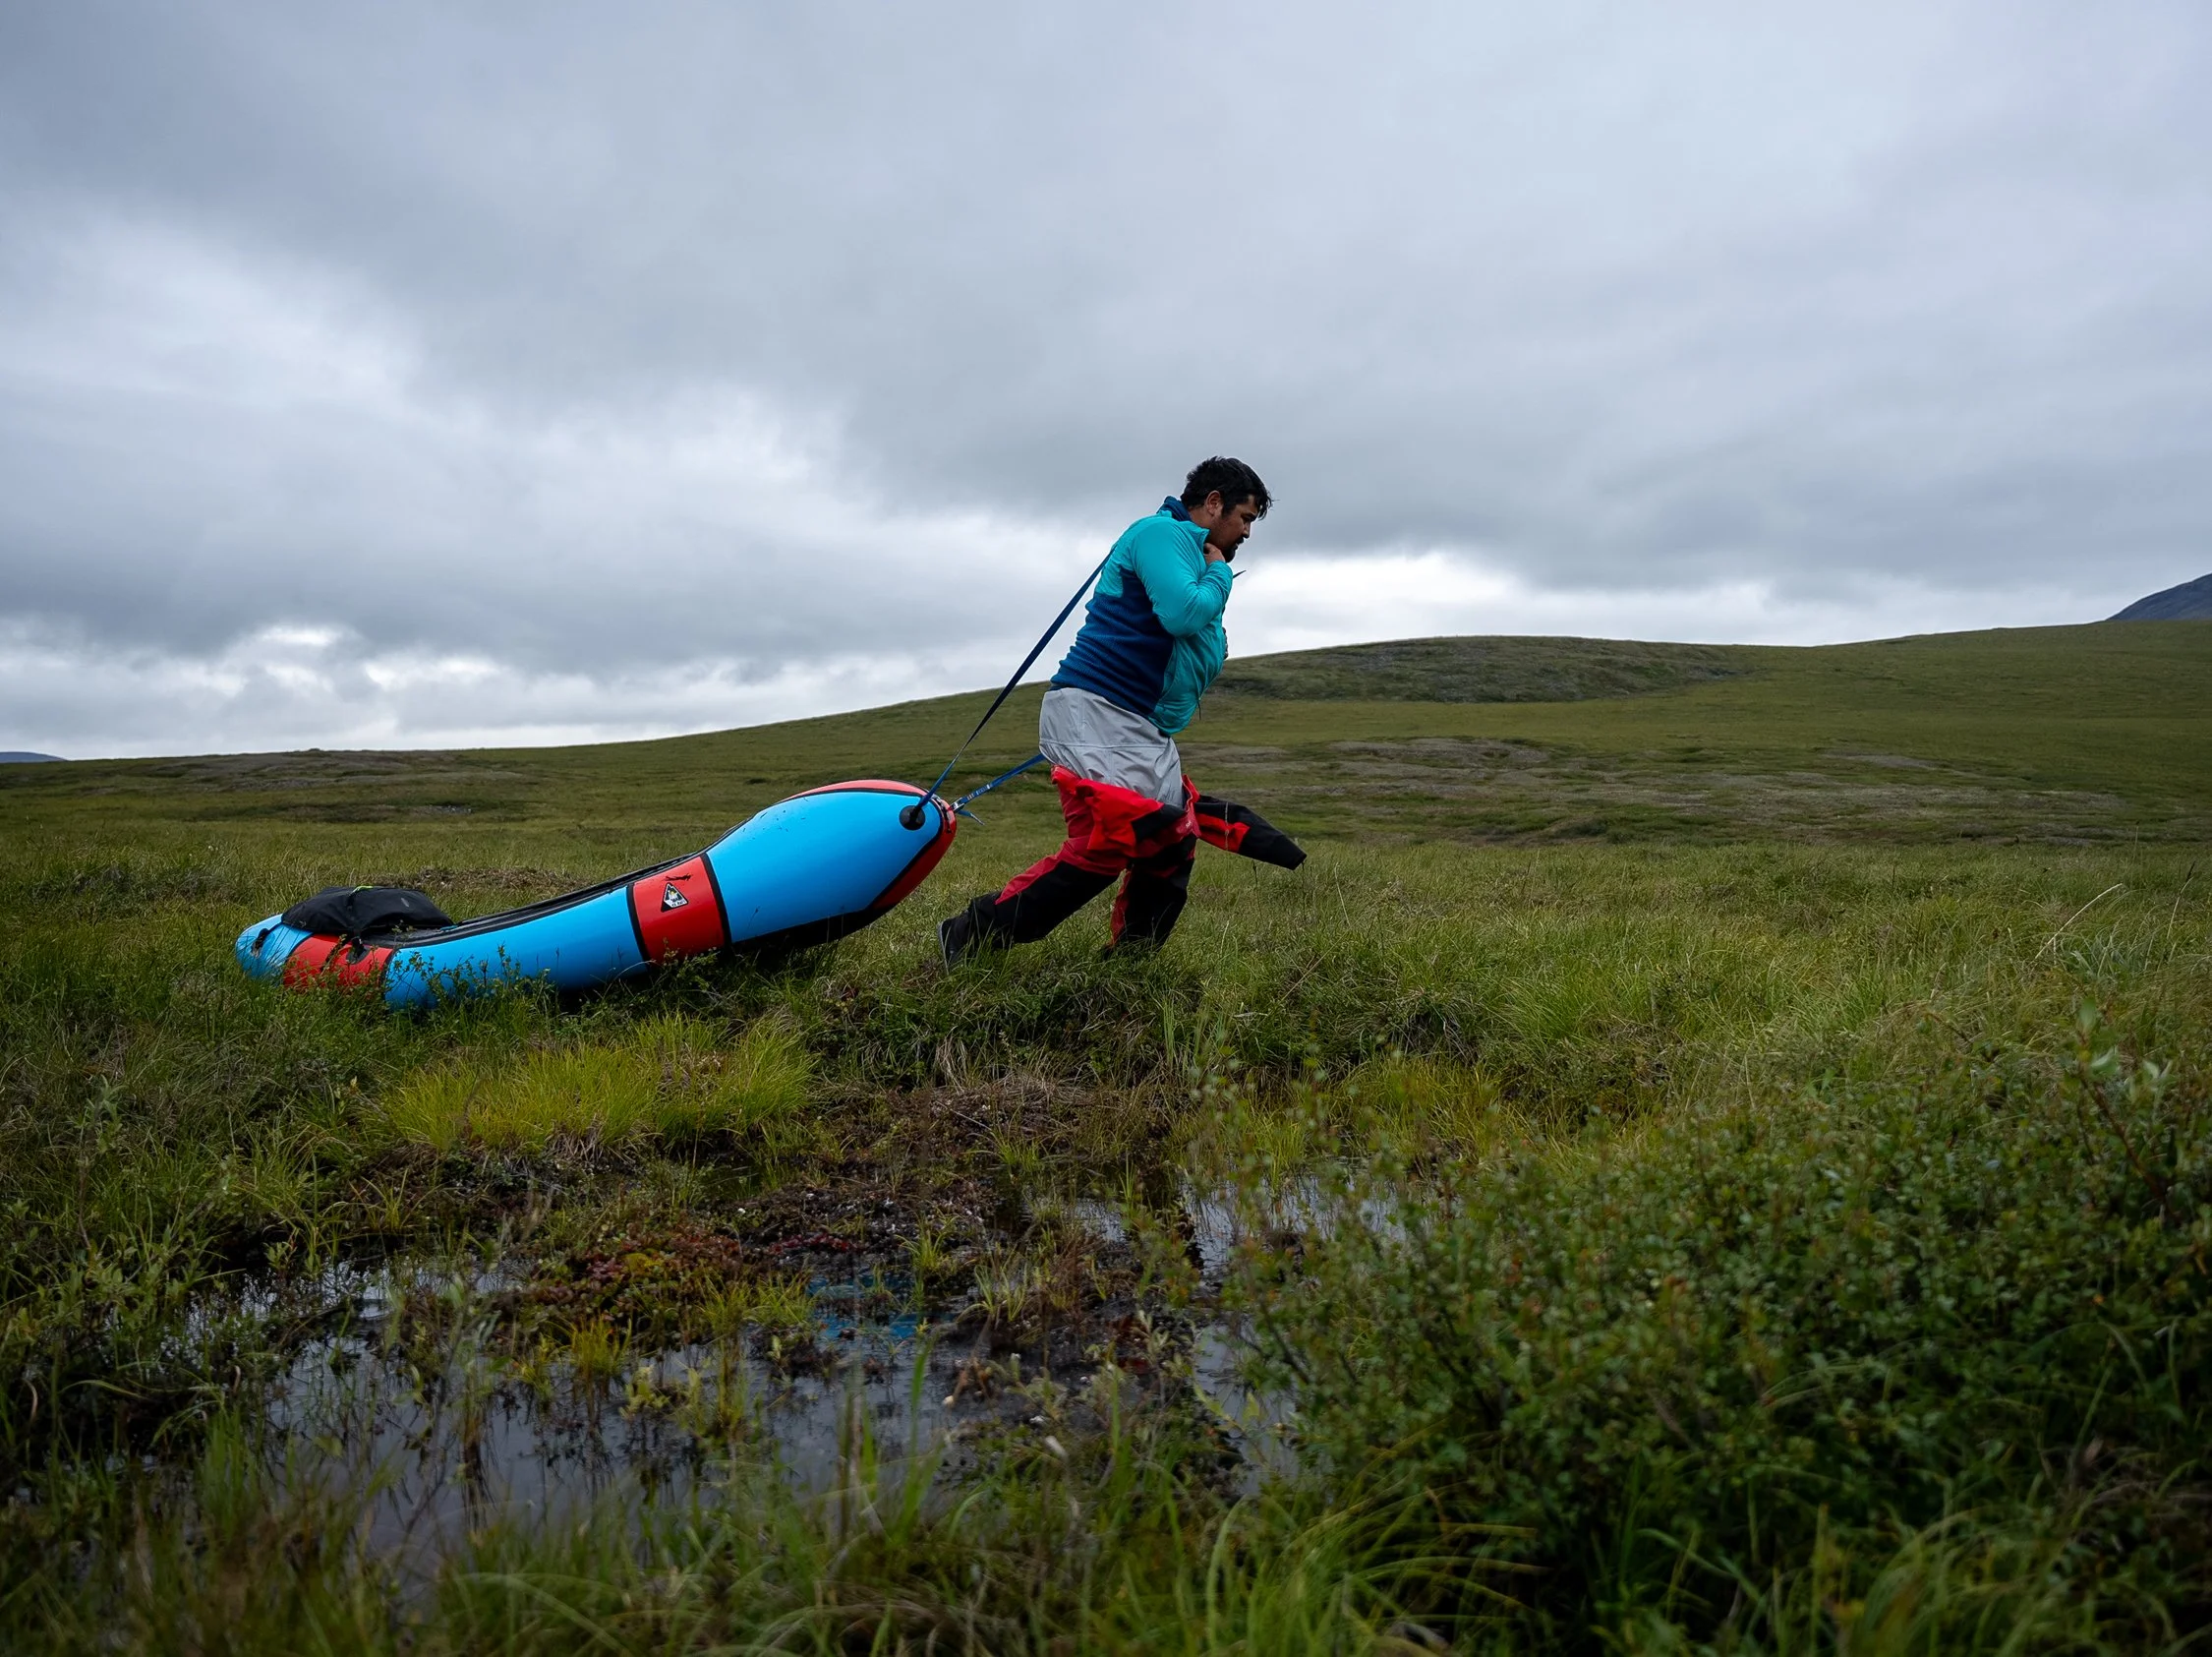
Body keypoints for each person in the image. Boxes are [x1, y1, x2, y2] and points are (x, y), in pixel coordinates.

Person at [937, 456, 1307, 965]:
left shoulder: (1186, 553)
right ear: (1214, 503)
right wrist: (1221, 575)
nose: (1246, 531)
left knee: (1167, 842)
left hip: (1130, 721)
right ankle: (973, 931)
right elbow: (1181, 614)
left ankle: (1130, 963)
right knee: (1125, 838)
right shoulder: (1163, 534)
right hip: (1098, 708)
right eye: (1244, 517)